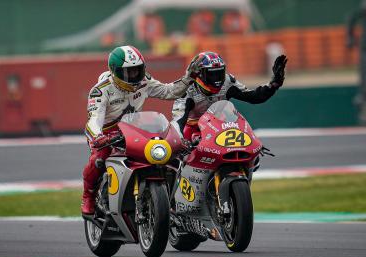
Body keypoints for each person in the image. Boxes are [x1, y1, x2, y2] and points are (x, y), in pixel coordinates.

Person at [81, 45, 205, 215]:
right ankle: (88, 196)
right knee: (98, 159)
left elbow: (169, 92)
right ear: (114, 71)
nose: (134, 76)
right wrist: (98, 137)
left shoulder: (144, 81)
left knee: (166, 153)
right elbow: (94, 120)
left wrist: (188, 78)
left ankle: (170, 197)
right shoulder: (100, 91)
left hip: (132, 128)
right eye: (128, 72)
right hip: (106, 133)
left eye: (137, 70)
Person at [172, 51, 287, 141]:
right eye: (212, 74)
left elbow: (254, 97)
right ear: (199, 74)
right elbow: (178, 121)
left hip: (221, 128)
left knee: (252, 153)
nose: (217, 79)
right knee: (175, 156)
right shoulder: (186, 89)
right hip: (193, 130)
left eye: (219, 73)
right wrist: (181, 139)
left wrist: (274, 84)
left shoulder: (228, 81)